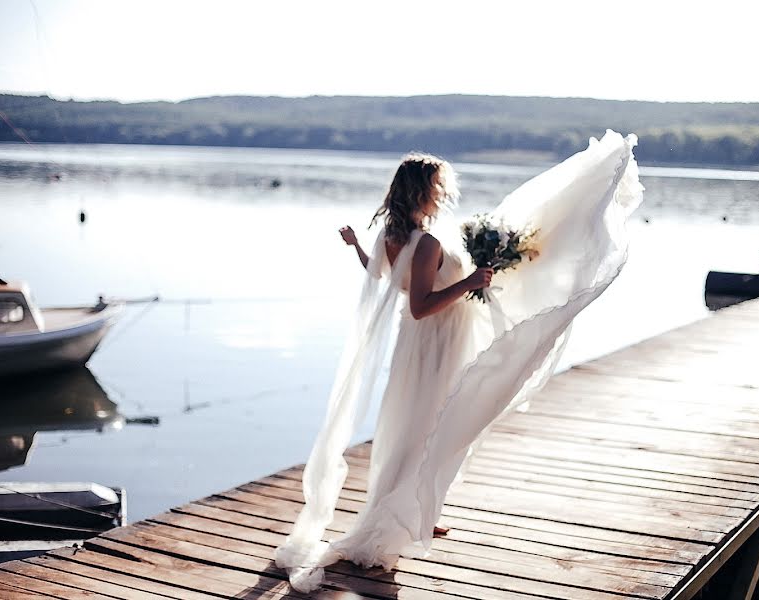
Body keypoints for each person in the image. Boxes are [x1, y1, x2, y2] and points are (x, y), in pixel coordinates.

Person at [275, 130, 644, 592]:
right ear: (424, 190)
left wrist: (356, 248)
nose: (444, 193)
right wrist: (469, 282)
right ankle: (400, 520)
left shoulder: (394, 236)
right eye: (438, 186)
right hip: (435, 344)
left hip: (422, 347)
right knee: (432, 428)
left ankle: (419, 514)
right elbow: (420, 304)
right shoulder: (426, 241)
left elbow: (392, 281)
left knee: (419, 429)